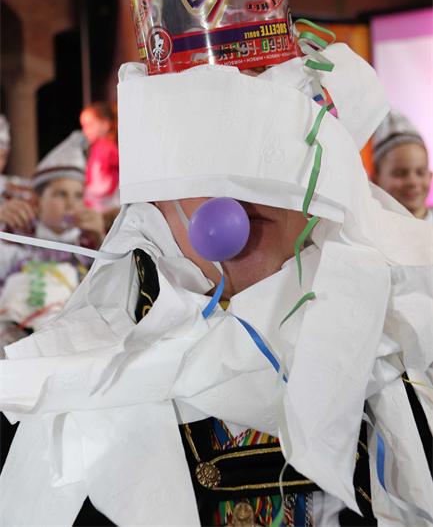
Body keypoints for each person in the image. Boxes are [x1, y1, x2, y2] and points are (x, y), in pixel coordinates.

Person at [0, 46, 432, 527]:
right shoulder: (57, 394)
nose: (242, 193)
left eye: (266, 160)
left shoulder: (401, 355)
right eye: (206, 160)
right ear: (154, 207)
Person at [0, 131, 105, 350]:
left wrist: (104, 241)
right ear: (37, 201)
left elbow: (108, 294)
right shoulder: (17, 236)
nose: (71, 204)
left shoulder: (88, 246)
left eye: (78, 195)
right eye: (60, 194)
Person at [372, 109, 432, 222]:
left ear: (430, 176)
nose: (413, 182)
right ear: (375, 179)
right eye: (400, 173)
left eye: (420, 172)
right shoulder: (367, 228)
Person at [79, 102, 120, 213]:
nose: (85, 131)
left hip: (105, 208)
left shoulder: (107, 148)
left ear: (105, 124)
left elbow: (104, 184)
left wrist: (85, 195)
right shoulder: (97, 148)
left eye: (90, 125)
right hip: (100, 206)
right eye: (83, 126)